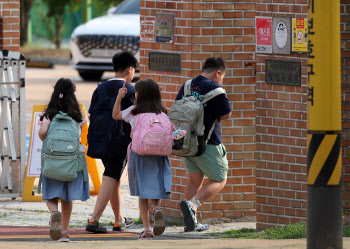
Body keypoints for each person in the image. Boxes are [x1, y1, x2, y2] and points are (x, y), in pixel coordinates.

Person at [175, 57, 232, 232]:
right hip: (208, 143)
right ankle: (192, 205)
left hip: (186, 143)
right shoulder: (216, 89)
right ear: (218, 73)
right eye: (222, 76)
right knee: (219, 179)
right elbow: (226, 115)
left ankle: (190, 222)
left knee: (194, 180)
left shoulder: (187, 85)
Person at [112, 79, 172, 240]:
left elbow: (115, 115)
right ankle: (157, 208)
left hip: (140, 154)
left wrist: (119, 98)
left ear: (140, 95)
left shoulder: (135, 111)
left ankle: (147, 229)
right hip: (159, 155)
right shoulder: (162, 112)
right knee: (156, 185)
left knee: (142, 192)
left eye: (137, 92)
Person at [86, 51, 137, 233]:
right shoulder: (130, 90)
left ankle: (118, 220)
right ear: (129, 69)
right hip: (120, 142)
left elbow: (91, 114)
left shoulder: (99, 88)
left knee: (113, 178)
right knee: (110, 177)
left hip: (100, 140)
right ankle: (94, 219)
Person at [38, 78, 90, 242]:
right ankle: (65, 232)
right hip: (71, 164)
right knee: (67, 198)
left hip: (52, 162)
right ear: (73, 94)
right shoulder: (78, 115)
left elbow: (42, 134)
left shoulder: (49, 114)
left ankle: (54, 213)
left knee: (50, 195)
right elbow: (82, 130)